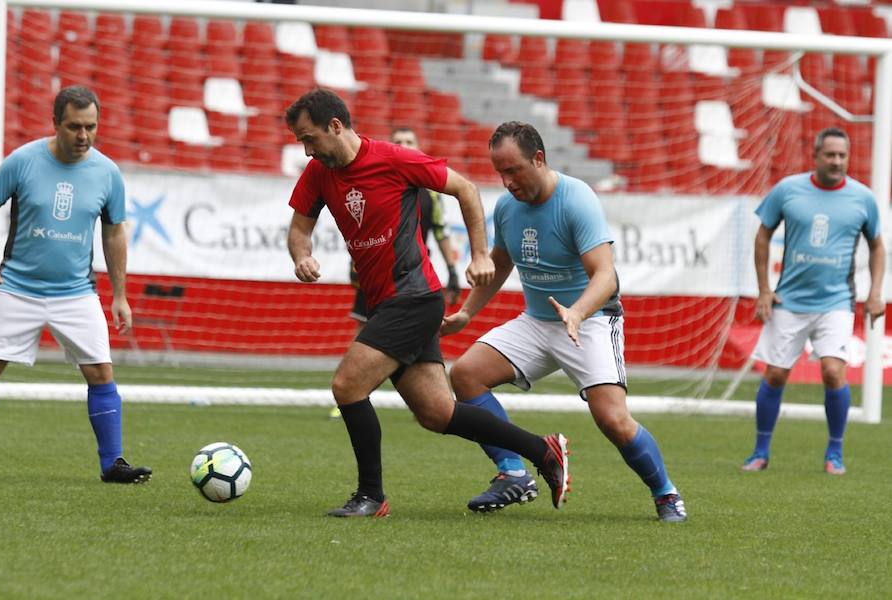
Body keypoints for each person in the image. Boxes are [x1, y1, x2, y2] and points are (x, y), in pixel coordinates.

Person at [285, 89, 568, 517]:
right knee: (438, 413)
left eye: (310, 138)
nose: (307, 150)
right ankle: (543, 450)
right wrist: (301, 255)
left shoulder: (394, 159)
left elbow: (466, 189)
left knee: (347, 386)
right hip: (387, 303)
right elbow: (299, 229)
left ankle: (371, 496)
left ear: (336, 126)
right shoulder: (318, 173)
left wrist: (478, 254)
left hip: (414, 298)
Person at [441, 121, 686, 522]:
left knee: (613, 419)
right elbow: (500, 265)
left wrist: (577, 312)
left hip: (590, 320)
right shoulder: (507, 208)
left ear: (538, 159)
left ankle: (665, 494)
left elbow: (605, 275)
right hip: (538, 322)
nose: (507, 182)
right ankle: (514, 473)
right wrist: (467, 313)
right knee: (466, 375)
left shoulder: (577, 200)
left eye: (514, 170)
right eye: (500, 172)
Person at [0, 85, 152, 484]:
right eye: (74, 127)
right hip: (14, 287)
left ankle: (112, 464)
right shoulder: (22, 161)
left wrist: (120, 295)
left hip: (75, 293)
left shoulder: (107, 172)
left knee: (101, 372)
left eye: (91, 127)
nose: (83, 136)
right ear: (55, 124)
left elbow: (114, 233)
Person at [741, 127, 885, 476]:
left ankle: (834, 453)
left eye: (842, 156)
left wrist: (875, 292)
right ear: (816, 156)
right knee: (775, 375)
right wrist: (764, 288)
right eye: (830, 155)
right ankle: (760, 451)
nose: (836, 161)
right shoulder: (789, 190)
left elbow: (878, 246)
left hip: (836, 301)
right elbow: (763, 235)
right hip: (788, 300)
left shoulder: (862, 198)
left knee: (834, 372)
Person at [332, 126, 461, 419]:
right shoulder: (383, 179)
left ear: (419, 145)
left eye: (410, 141)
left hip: (412, 280)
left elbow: (441, 232)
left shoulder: (432, 191)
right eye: (399, 141)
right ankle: (355, 395)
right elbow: (359, 225)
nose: (405, 145)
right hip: (375, 275)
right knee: (363, 332)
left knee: (416, 338)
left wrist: (453, 270)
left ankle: (364, 393)